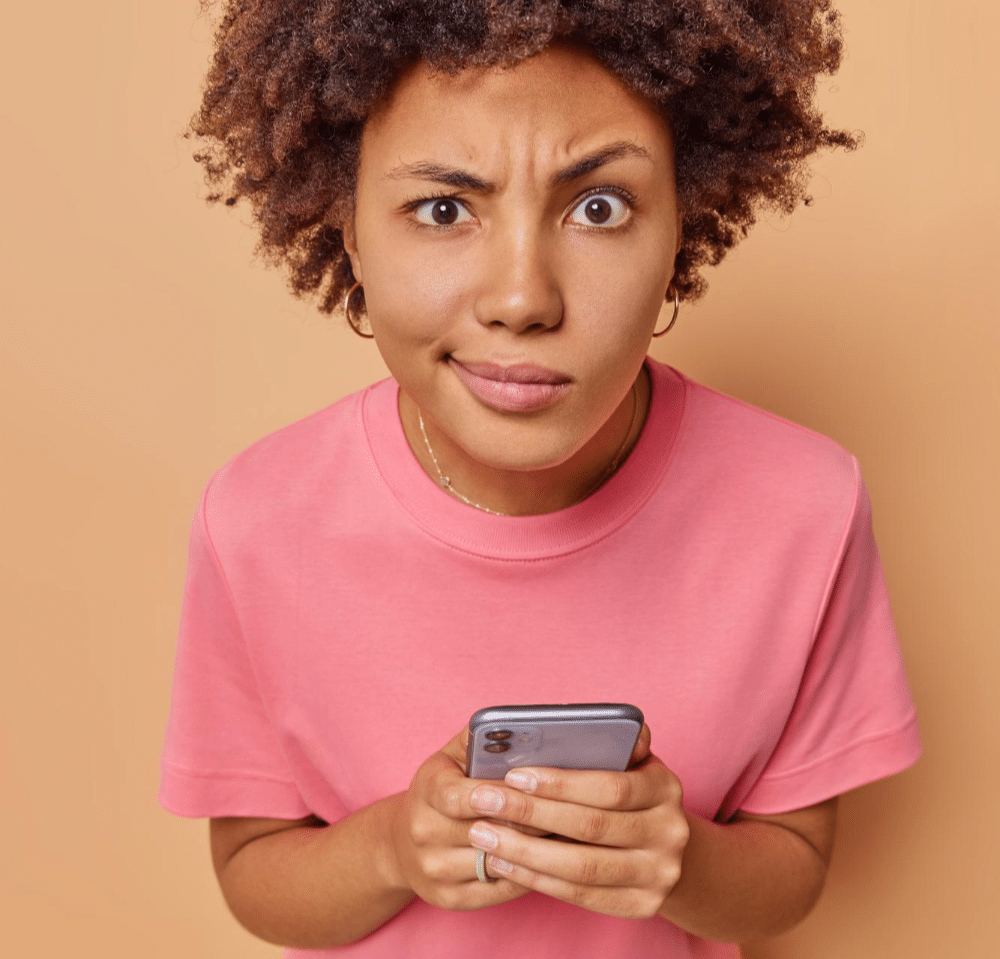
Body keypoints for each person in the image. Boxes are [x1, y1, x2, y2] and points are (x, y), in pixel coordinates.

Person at [158, 3, 921, 957]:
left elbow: (795, 871)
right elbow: (253, 874)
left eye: (598, 206)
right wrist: (393, 848)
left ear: (681, 224)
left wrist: (675, 861)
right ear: (349, 234)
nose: (523, 297)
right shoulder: (256, 521)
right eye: (443, 209)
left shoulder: (807, 505)